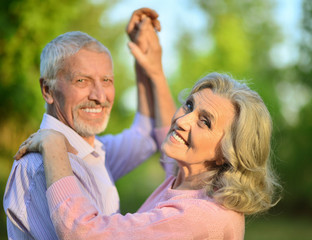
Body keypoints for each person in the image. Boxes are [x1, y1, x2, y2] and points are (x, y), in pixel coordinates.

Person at [15, 18, 281, 237]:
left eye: (205, 121)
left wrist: (54, 145)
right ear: (47, 90)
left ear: (227, 152)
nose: (182, 119)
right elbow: (157, 133)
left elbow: (86, 233)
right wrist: (152, 69)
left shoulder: (200, 214)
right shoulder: (187, 182)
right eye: (189, 106)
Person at [3, 8, 175, 240]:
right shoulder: (38, 167)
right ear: (47, 90)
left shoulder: (96, 152)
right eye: (81, 81)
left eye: (106, 80)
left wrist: (147, 60)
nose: (99, 96)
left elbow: (145, 136)